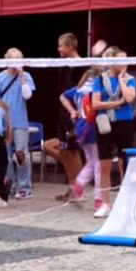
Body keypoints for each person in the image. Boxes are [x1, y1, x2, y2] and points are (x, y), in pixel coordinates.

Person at [92, 46, 136, 219]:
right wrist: (114, 104)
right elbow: (95, 104)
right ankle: (105, 203)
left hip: (125, 123)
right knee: (104, 164)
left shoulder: (130, 79)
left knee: (124, 162)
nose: (124, 63)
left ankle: (125, 202)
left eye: (126, 59)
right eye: (120, 60)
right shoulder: (99, 79)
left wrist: (121, 81)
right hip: (104, 124)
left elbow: (129, 98)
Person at [45, 34, 87, 200]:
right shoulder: (63, 65)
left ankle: (79, 191)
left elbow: (80, 92)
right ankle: (72, 188)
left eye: (61, 46)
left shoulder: (81, 66)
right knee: (63, 149)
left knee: (73, 151)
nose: (59, 49)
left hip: (75, 114)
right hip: (64, 112)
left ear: (70, 47)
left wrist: (75, 114)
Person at [0, 48, 35, 200]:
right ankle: (8, 184)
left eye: (19, 60)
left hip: (20, 121)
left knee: (21, 154)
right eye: (13, 60)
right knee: (5, 156)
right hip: (4, 123)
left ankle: (25, 187)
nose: (16, 64)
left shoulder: (26, 76)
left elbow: (27, 95)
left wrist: (22, 78)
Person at [61, 68, 102, 205]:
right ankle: (99, 199)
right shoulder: (97, 88)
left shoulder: (78, 89)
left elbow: (62, 96)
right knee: (99, 164)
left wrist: (72, 110)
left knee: (91, 160)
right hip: (94, 127)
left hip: (81, 128)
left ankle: (79, 183)